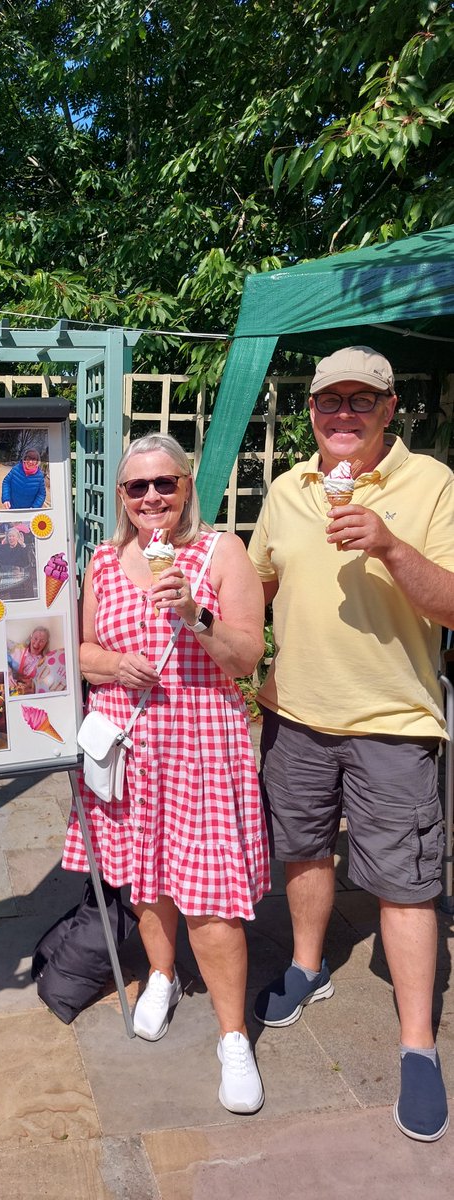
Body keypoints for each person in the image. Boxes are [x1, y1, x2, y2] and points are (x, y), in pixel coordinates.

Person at [248, 345, 454, 1142]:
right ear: (310, 412)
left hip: (392, 724)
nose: (342, 414)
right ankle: (307, 967)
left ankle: (416, 1047)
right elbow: (257, 586)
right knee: (301, 852)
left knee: (406, 883)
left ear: (388, 409)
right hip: (296, 715)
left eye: (359, 402)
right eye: (328, 401)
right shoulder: (285, 489)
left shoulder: (430, 484)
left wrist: (391, 547)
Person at [61, 432, 269, 1114]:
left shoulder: (220, 551)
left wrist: (192, 612)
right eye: (136, 487)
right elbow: (83, 650)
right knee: (143, 877)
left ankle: (234, 1037)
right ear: (120, 498)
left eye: (164, 483)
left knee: (209, 893)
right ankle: (160, 975)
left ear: (185, 487)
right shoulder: (103, 559)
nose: (151, 497)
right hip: (128, 746)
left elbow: (244, 657)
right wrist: (115, 665)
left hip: (201, 743)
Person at [8, 626, 51, 695]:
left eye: (42, 641)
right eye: (35, 638)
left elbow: (46, 683)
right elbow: (3, 660)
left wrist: (34, 685)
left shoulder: (46, 662)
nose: (37, 644)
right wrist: (8, 674)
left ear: (46, 643)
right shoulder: (18, 650)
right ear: (31, 637)